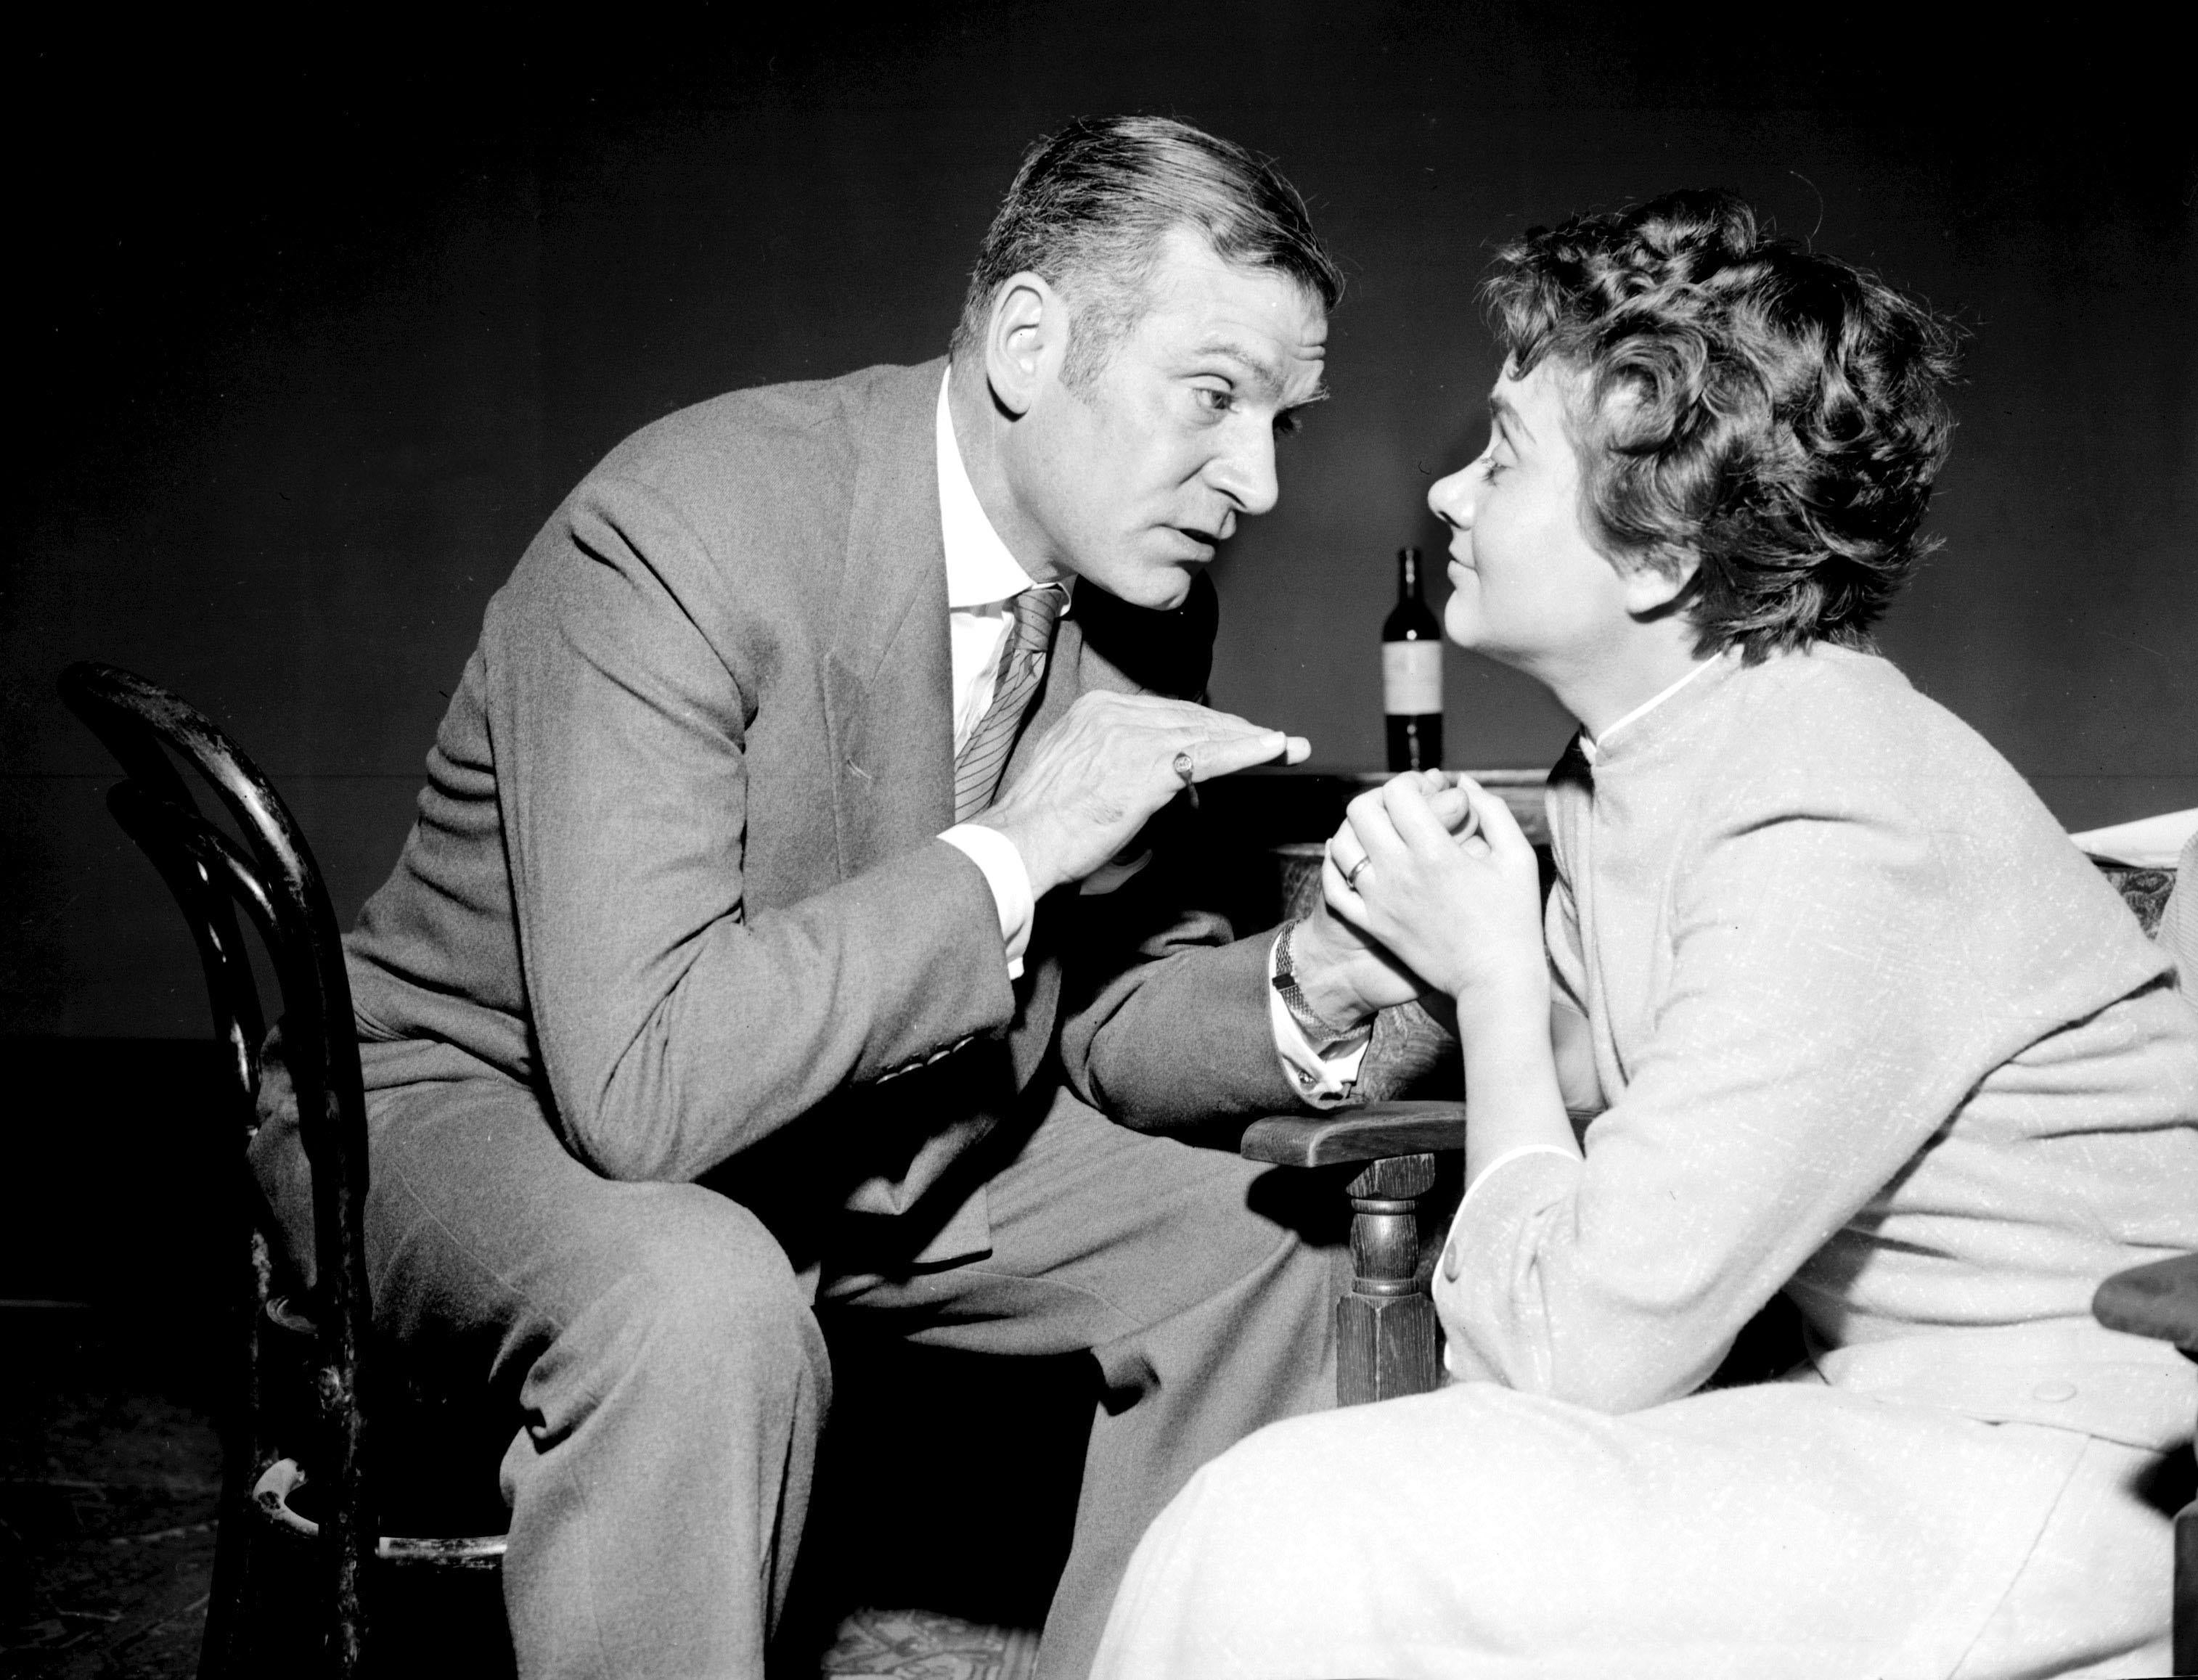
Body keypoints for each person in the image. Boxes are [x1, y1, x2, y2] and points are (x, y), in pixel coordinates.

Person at [261, 115, 1446, 1680]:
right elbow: (642, 1093)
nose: (1258, 479)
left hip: (870, 1121)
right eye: (1216, 399)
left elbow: (1104, 1016)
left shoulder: (1146, 597)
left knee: (1272, 1247)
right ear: (1030, 339)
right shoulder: (688, 526)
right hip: (474, 1105)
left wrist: (1311, 989)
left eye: (1284, 423)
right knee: (697, 1301)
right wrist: (1019, 849)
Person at [1090, 189, 2198, 1679]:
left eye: (1503, 458)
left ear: (1663, 556)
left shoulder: (1832, 809)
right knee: (1288, 1521)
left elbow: (1564, 1361)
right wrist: (1424, 929)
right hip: (1880, 1413)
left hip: (2065, 1474)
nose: (1446, 500)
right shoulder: (1649, 756)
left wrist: (1488, 968)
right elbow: (1600, 1071)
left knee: (1304, 1533)